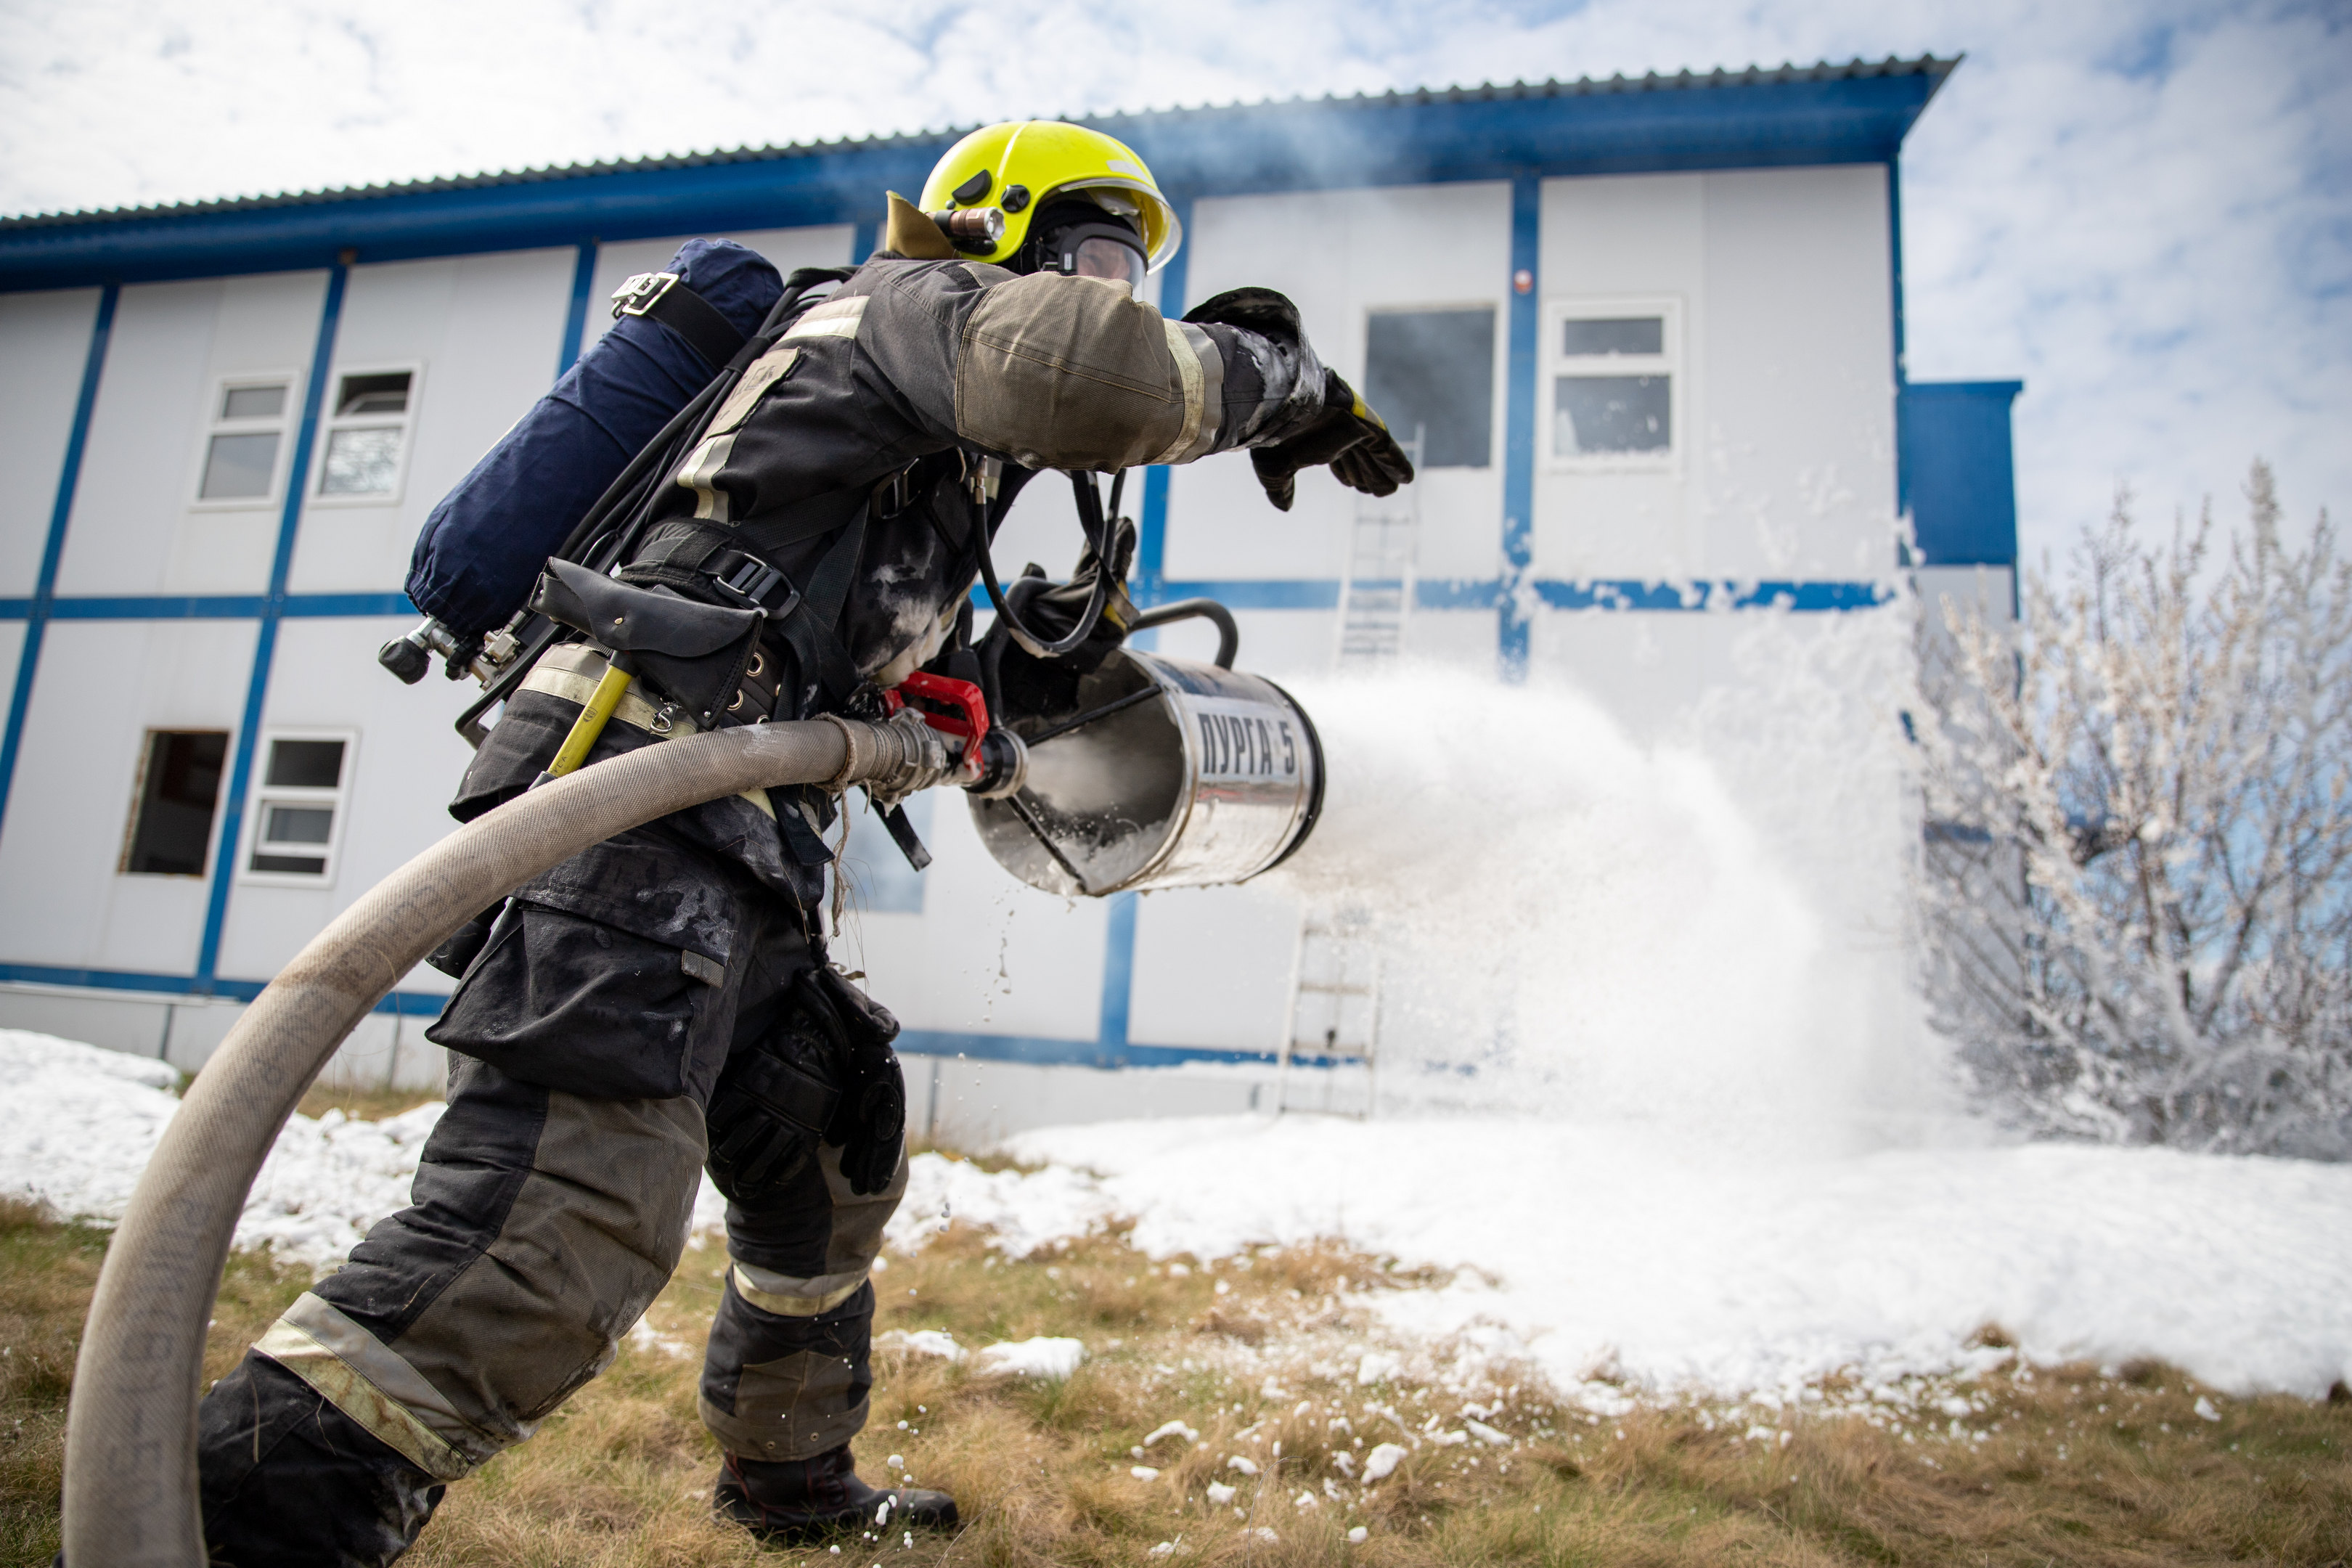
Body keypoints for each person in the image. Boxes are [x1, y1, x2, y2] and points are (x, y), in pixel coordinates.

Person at [184, 120, 1412, 1567]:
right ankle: (236, 1522)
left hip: (741, 832)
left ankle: (789, 1479)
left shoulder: (927, 455)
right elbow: (1096, 375)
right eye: (1094, 261)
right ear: (996, 232)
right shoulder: (900, 303)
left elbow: (860, 632)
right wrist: (1287, 379)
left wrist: (979, 681)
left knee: (832, 1152)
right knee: (561, 1224)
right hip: (636, 791)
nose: (1112, 298)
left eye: (1127, 278)